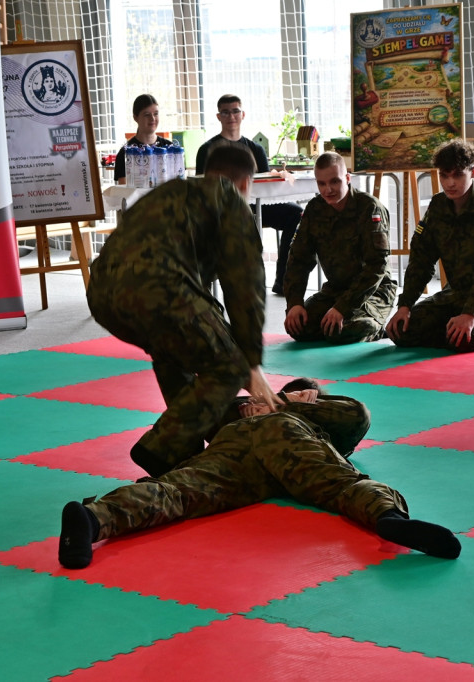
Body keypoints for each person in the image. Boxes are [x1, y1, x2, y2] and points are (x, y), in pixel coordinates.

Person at [57, 380, 462, 569]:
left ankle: (97, 518)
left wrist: (283, 403)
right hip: (236, 453)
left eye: (307, 396)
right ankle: (92, 521)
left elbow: (356, 414)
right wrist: (240, 399)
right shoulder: (240, 411)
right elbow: (162, 445)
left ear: (314, 402)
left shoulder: (321, 421)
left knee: (177, 493)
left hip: (279, 440)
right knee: (178, 491)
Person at [87, 145, 282, 478]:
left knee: (174, 350)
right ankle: (161, 448)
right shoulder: (229, 199)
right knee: (229, 365)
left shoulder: (172, 191)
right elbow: (245, 285)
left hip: (103, 293)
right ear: (246, 184)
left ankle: (185, 451)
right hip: (158, 287)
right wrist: (250, 360)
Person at [385, 138, 474, 352]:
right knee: (401, 332)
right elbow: (421, 261)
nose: (450, 183)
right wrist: (405, 305)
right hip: (455, 293)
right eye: (444, 176)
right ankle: (453, 327)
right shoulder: (438, 206)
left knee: (470, 339)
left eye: (458, 175)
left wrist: (470, 313)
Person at [283, 152, 397, 344]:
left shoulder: (369, 208)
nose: (328, 190)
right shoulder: (314, 209)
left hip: (373, 292)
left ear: (347, 178)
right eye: (322, 184)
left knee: (344, 330)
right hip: (335, 290)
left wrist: (342, 308)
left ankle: (377, 329)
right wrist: (294, 303)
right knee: (299, 328)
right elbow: (299, 260)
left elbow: (375, 268)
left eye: (334, 182)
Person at [194, 94, 303, 296]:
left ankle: (283, 280)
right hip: (224, 211)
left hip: (256, 205)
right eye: (225, 112)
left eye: (235, 111)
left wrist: (278, 175)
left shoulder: (256, 148)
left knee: (296, 214)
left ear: (242, 114)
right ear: (218, 116)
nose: (231, 116)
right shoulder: (207, 149)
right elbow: (202, 187)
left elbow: (264, 187)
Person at [113, 94, 175, 185]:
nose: (152, 118)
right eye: (147, 115)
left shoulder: (170, 149)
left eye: (156, 114)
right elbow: (124, 192)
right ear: (135, 117)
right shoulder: (126, 153)